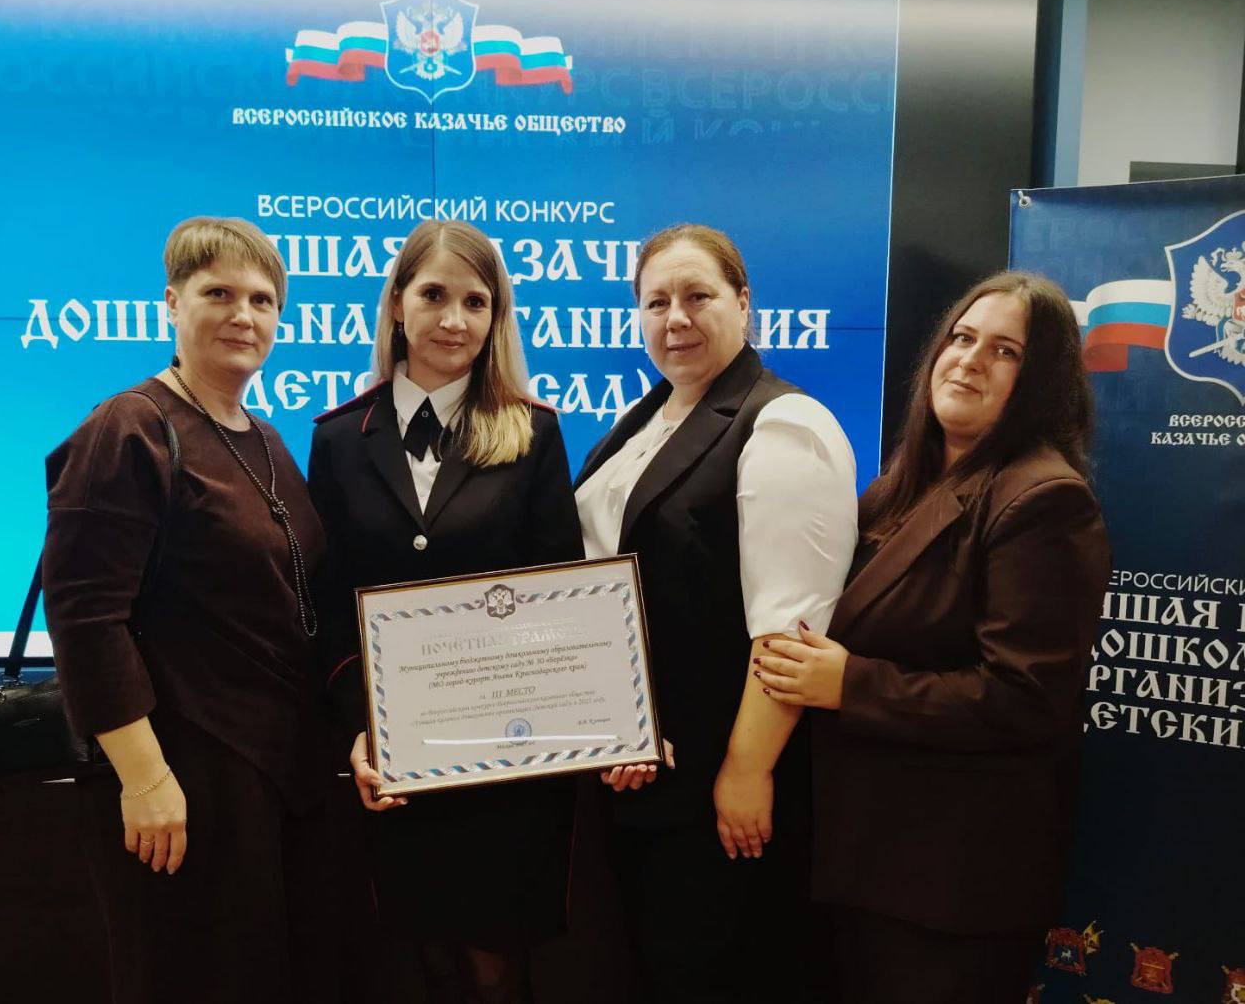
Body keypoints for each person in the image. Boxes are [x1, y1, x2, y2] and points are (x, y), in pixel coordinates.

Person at [754, 271, 1111, 1004]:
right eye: (963, 337)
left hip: (951, 889)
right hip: (866, 864)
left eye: (1005, 351)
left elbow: (1024, 698)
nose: (971, 360)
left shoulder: (1044, 498)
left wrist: (850, 684)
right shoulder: (903, 482)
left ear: (1043, 380)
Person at [43, 217, 335, 1004]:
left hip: (273, 779)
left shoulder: (265, 438)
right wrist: (145, 780)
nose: (244, 314)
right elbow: (85, 615)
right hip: (182, 781)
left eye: (263, 300)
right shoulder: (128, 427)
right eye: (219, 293)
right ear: (172, 302)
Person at [574, 223, 858, 1003]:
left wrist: (745, 770)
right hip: (645, 783)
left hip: (718, 793)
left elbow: (788, 637)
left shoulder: (784, 426)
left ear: (743, 302)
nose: (676, 318)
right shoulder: (648, 418)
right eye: (655, 301)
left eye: (698, 295)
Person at [309, 218, 583, 1004]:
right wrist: (361, 726)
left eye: (476, 301)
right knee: (422, 963)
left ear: (496, 316)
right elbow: (328, 604)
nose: (454, 319)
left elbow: (559, 594)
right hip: (397, 755)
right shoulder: (338, 438)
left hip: (509, 762)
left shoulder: (534, 432)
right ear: (398, 303)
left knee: (498, 969)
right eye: (433, 295)